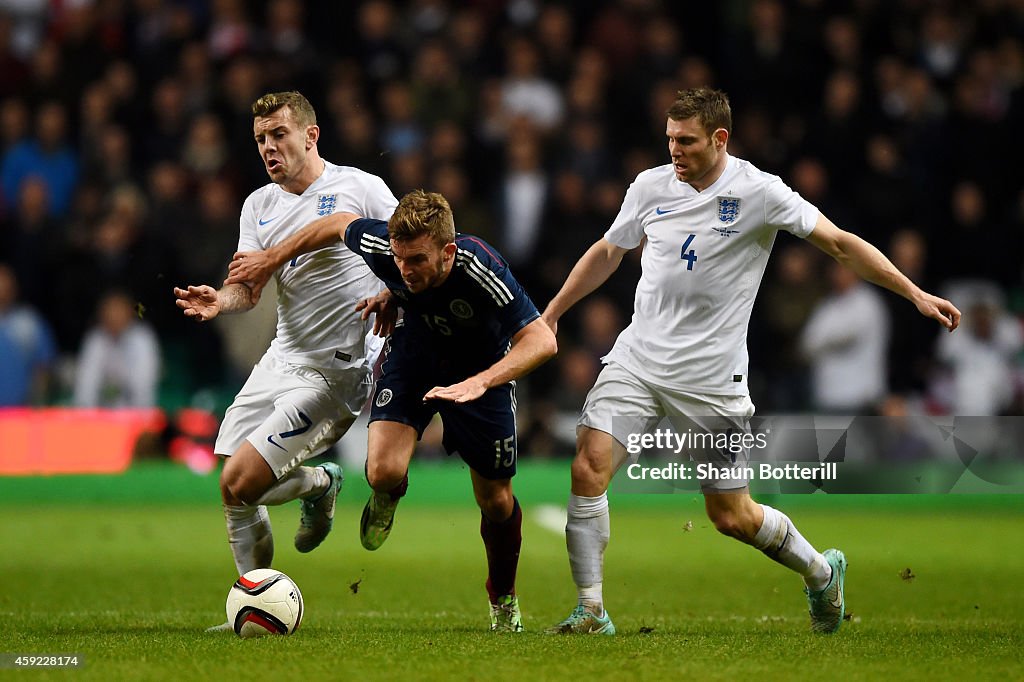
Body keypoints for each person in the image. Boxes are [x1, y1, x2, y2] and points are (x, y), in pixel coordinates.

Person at [540, 88, 961, 635]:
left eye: (686, 141)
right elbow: (609, 251)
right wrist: (551, 313)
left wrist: (914, 293)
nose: (674, 150)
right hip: (638, 360)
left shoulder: (758, 192)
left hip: (712, 381)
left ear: (720, 139)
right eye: (669, 138)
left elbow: (839, 243)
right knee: (588, 466)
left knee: (730, 516)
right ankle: (592, 610)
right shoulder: (649, 186)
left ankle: (820, 572)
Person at [225, 189, 558, 632]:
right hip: (415, 357)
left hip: (481, 372)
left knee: (496, 502)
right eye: (400, 259)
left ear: (448, 252)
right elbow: (335, 222)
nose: (405, 269)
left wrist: (481, 381)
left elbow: (542, 340)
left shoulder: (481, 268)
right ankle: (387, 496)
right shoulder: (385, 247)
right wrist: (271, 259)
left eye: (418, 260)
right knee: (381, 471)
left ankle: (503, 598)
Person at [172, 92, 399, 629]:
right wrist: (219, 301)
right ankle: (249, 606)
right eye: (260, 140)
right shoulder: (259, 205)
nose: (269, 148)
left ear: (310, 135)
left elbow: (408, 250)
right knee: (232, 488)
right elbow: (247, 289)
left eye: (278, 135)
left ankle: (319, 485)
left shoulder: (361, 187)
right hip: (283, 356)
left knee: (246, 481)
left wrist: (395, 290)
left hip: (336, 372)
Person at [73, 289, 161, 407]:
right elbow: (85, 385)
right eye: (110, 310)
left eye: (118, 310)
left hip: (137, 413)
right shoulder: (94, 339)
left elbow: (143, 385)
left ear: (129, 312)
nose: (114, 316)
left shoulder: (143, 339)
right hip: (100, 415)